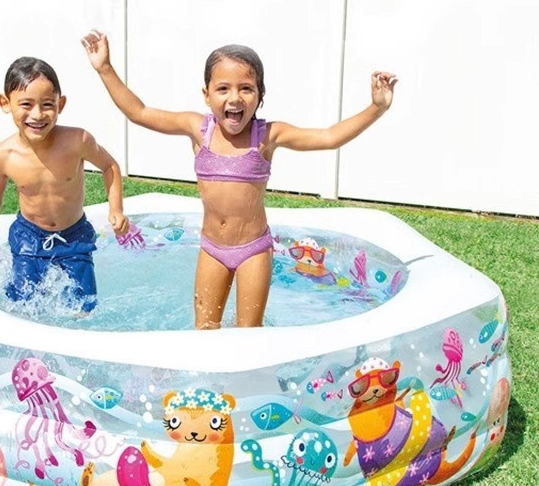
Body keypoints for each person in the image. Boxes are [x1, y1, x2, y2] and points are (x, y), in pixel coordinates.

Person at [81, 30, 397, 330]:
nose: (235, 98)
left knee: (249, 334)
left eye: (246, 88)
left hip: (253, 251)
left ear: (260, 96)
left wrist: (376, 108)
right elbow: (139, 112)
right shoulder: (199, 130)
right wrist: (105, 68)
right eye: (223, 89)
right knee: (205, 329)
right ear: (206, 95)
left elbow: (328, 137)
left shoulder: (267, 136)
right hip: (211, 249)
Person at [0, 56, 129, 312]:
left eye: (48, 104)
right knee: (23, 305)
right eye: (26, 104)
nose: (37, 115)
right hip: (29, 237)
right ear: (5, 103)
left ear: (61, 104)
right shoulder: (3, 156)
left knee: (84, 308)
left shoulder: (77, 141)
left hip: (74, 236)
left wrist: (116, 209)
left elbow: (109, 166)